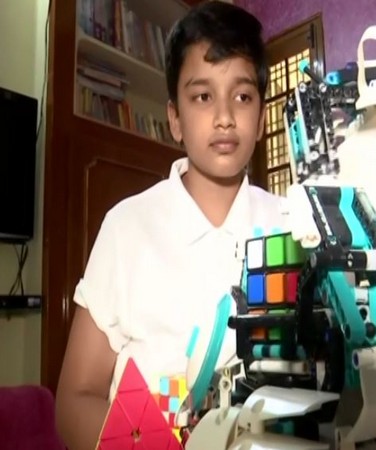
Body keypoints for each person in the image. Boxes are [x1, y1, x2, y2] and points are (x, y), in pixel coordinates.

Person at [55, 3, 286, 449]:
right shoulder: (126, 227)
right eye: (202, 96)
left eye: (242, 96)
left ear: (260, 118)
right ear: (174, 118)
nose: (224, 116)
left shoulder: (291, 226)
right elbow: (74, 399)